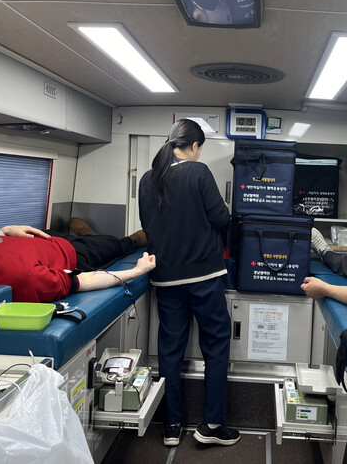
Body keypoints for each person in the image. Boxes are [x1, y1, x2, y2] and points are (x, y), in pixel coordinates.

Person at [138, 118, 238, 447]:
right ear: (194, 146)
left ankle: (171, 425)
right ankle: (211, 424)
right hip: (204, 276)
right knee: (216, 343)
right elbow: (221, 219)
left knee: (170, 348)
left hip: (165, 278)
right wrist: (223, 209)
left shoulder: (148, 178)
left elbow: (148, 224)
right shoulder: (199, 172)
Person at [0, 221, 155, 302]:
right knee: (113, 245)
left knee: (96, 240)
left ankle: (89, 235)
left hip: (47, 238)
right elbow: (84, 280)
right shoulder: (28, 279)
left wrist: (5, 230)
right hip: (74, 255)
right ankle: (131, 240)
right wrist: (137, 271)